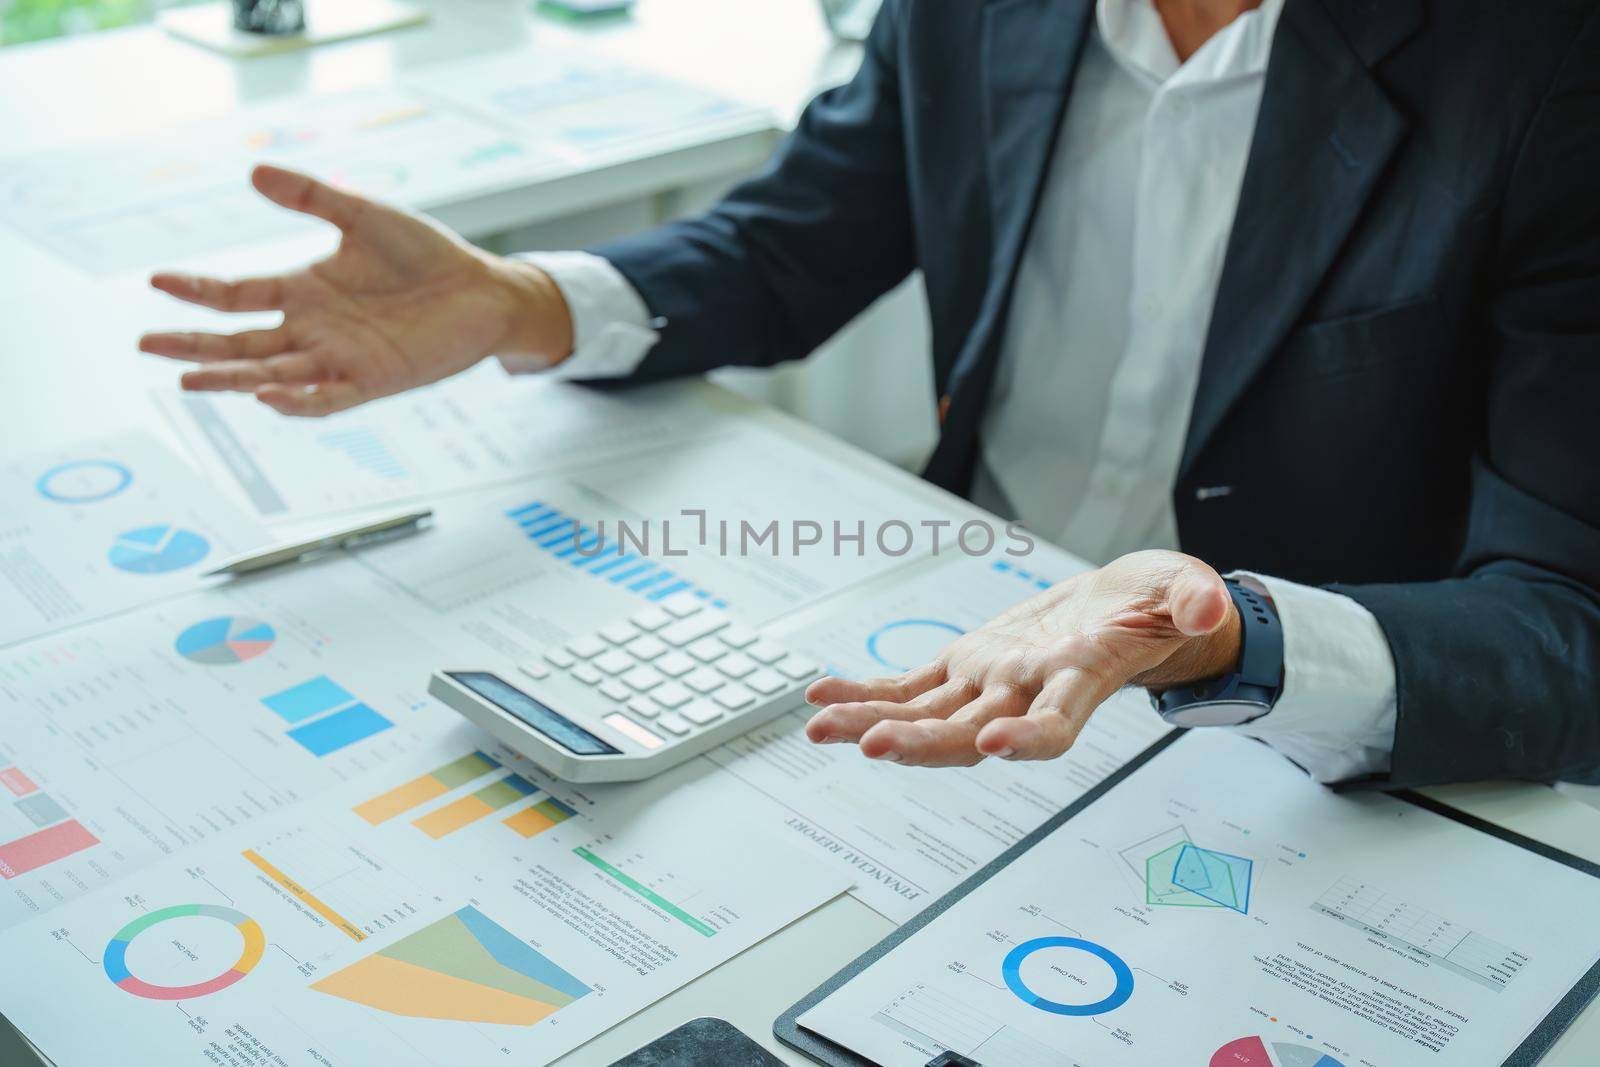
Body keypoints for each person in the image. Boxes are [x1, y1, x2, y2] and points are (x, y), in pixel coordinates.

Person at [140, 0, 1600, 789]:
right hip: (952, 643)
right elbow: (800, 240)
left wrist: (1244, 632)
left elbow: (1565, 618)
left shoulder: (1547, 66)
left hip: (1303, 722)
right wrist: (523, 302)